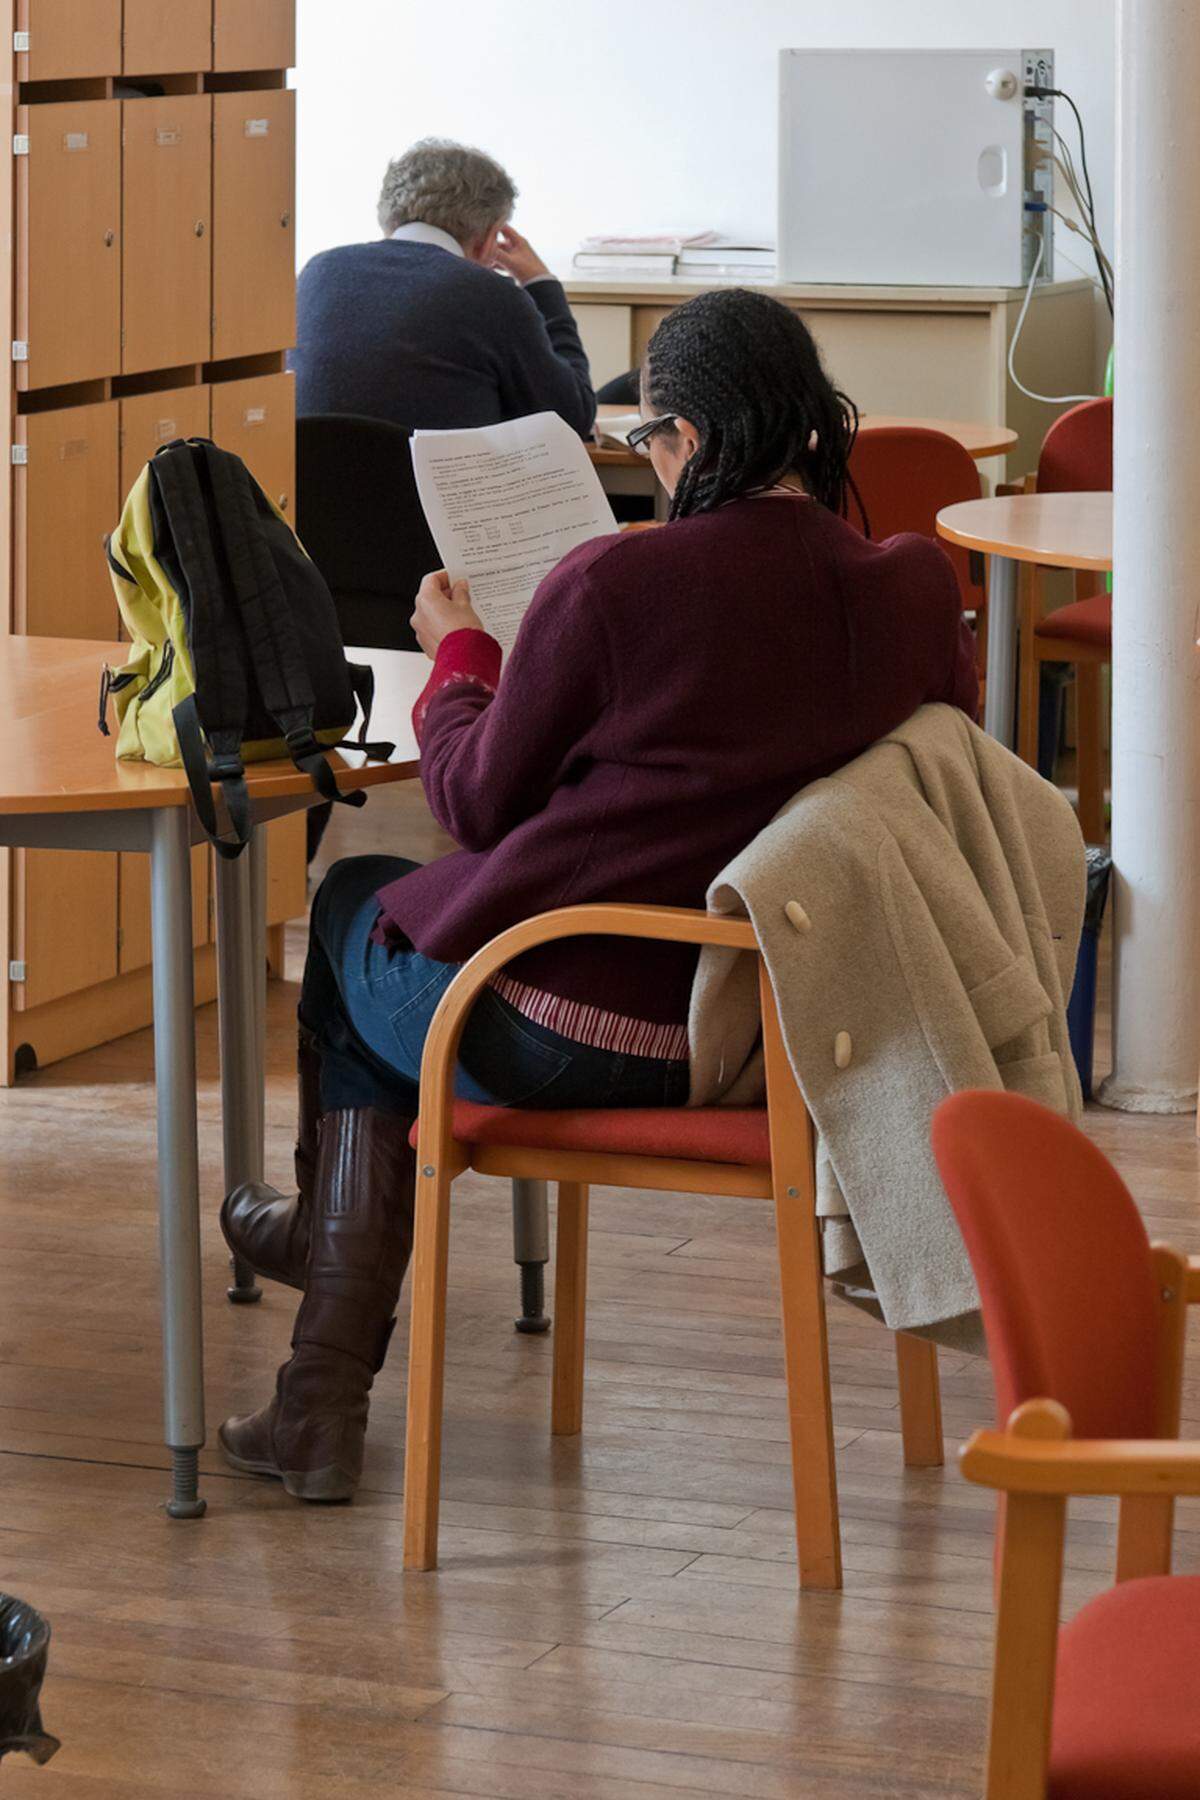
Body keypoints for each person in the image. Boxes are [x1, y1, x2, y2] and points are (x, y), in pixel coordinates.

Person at [220, 288, 979, 1503]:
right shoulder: (912, 589)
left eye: (646, 446)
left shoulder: (615, 588)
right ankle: (315, 1317)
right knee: (383, 930)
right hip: (771, 1022)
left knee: (362, 905)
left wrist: (463, 656)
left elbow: (472, 799)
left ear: (681, 436)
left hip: (568, 1020)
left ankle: (322, 1326)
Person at [291, 137, 595, 439]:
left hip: (307, 486)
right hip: (434, 487)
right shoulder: (490, 294)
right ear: (491, 237)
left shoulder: (316, 272)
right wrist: (541, 284)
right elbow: (572, 417)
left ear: (386, 214)